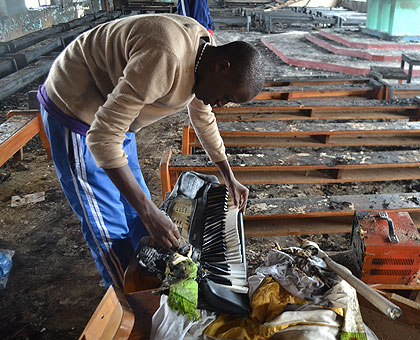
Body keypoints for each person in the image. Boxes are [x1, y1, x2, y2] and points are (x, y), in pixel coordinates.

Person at [37, 13, 264, 289]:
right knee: (110, 228)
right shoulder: (165, 58)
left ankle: (142, 276)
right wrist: (149, 213)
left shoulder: (206, 54)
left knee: (138, 211)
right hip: (76, 110)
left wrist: (228, 175)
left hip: (116, 114)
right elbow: (102, 138)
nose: (220, 105)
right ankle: (127, 300)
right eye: (226, 97)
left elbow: (203, 117)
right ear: (222, 67)